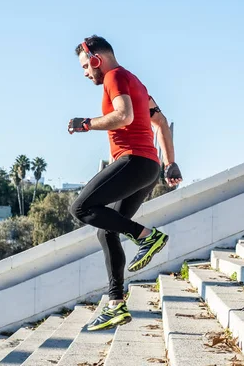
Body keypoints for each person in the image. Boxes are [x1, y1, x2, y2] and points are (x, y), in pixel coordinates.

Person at [68, 35, 183, 331]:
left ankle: (146, 235)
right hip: (149, 167)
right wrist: (169, 162)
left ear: (97, 59)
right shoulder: (137, 83)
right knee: (106, 232)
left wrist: (87, 123)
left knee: (80, 207)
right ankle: (116, 305)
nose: (85, 73)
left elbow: (123, 116)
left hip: (133, 161)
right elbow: (161, 121)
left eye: (85, 66)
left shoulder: (115, 76)